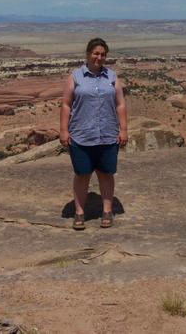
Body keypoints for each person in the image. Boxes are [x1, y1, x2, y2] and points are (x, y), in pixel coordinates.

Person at [59, 37, 128, 230]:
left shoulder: (112, 77)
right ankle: (79, 213)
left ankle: (107, 211)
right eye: (96, 53)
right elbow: (66, 104)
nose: (99, 57)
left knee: (106, 173)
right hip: (81, 134)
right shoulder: (75, 77)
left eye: (103, 54)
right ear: (88, 54)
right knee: (82, 174)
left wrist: (124, 129)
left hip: (107, 134)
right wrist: (64, 130)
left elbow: (120, 104)